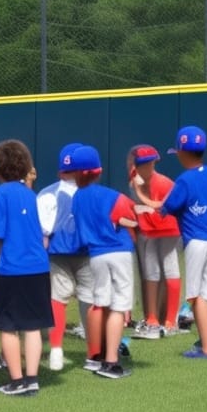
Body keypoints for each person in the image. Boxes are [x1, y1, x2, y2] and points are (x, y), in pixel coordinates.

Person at [0, 139, 52, 396]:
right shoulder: (29, 194)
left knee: (8, 327)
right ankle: (31, 378)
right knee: (32, 326)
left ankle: (16, 380)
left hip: (12, 269)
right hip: (38, 268)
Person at [67, 144, 139, 378]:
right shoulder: (111, 195)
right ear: (98, 171)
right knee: (119, 306)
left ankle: (93, 356)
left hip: (95, 255)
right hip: (118, 251)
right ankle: (111, 362)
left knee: (98, 304)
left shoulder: (76, 198)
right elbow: (132, 218)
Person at [159, 125, 207, 360]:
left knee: (195, 297)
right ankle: (204, 342)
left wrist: (147, 200)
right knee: (202, 297)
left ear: (182, 152)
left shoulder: (184, 180)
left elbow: (167, 209)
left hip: (196, 241)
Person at [36, 142, 93, 371]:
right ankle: (93, 353)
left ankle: (56, 351)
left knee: (58, 301)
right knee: (90, 301)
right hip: (87, 252)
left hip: (57, 254)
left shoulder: (47, 193)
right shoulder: (92, 192)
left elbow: (44, 234)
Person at [125, 143, 182, 339]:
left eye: (150, 163)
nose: (147, 166)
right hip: (149, 231)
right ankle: (152, 318)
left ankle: (170, 320)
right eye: (143, 163)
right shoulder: (136, 181)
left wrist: (140, 199)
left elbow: (160, 206)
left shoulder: (163, 183)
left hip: (167, 229)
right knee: (152, 272)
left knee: (169, 268)